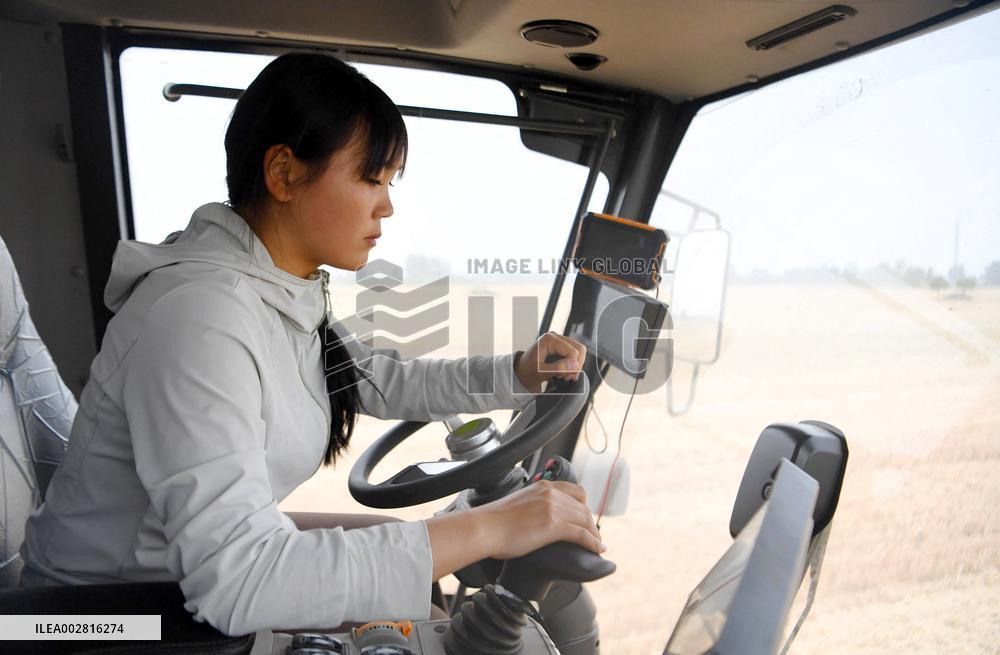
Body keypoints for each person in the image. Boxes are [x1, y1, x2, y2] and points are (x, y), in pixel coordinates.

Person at [19, 52, 602, 636]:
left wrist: (517, 374)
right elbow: (241, 581)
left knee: (421, 597)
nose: (387, 205)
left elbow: (376, 377)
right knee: (422, 619)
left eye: (389, 182)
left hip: (166, 574)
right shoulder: (200, 319)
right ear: (283, 173)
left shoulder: (275, 292)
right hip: (96, 621)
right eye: (370, 178)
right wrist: (492, 527)